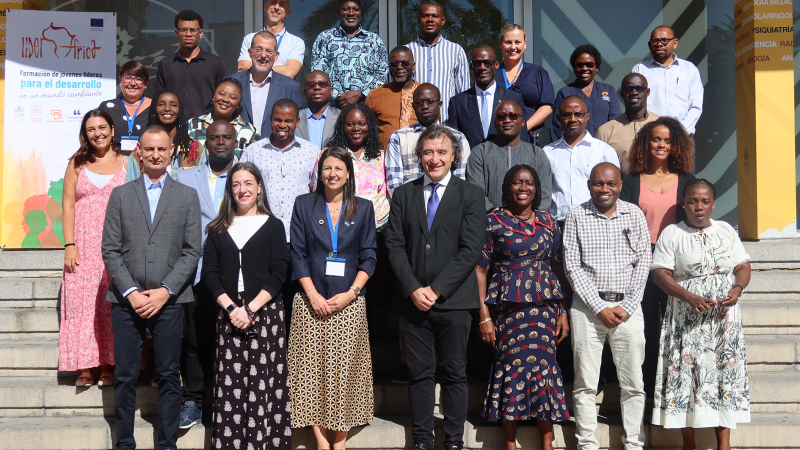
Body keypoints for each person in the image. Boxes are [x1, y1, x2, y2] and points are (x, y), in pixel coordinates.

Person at [101, 125, 201, 450]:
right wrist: (130, 291)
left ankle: (167, 444)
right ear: (139, 153)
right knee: (126, 375)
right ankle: (125, 443)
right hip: (125, 299)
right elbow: (110, 249)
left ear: (172, 151)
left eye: (162, 149)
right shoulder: (121, 195)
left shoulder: (187, 196)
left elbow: (192, 250)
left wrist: (165, 291)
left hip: (169, 300)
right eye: (149, 149)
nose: (156, 155)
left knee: (170, 374)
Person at [386, 125, 485, 450]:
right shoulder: (403, 195)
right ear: (419, 157)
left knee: (455, 373)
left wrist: (437, 289)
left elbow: (470, 250)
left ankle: (454, 441)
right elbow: (396, 247)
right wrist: (415, 289)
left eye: (442, 152)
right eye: (428, 152)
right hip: (414, 304)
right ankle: (423, 440)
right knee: (420, 375)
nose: (434, 158)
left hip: (455, 303)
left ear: (454, 156)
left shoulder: (469, 194)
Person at [650, 179, 751, 449]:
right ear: (683, 204)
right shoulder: (672, 233)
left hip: (723, 320)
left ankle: (724, 443)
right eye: (693, 201)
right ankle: (689, 443)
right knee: (687, 374)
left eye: (705, 201)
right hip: (686, 320)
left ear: (713, 204)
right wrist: (689, 297)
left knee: (724, 373)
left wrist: (737, 288)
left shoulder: (726, 230)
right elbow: (660, 274)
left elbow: (742, 265)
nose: (699, 206)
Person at [288, 146, 377, 450]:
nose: (332, 174)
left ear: (349, 173)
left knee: (345, 372)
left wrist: (351, 294)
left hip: (349, 303)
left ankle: (339, 440)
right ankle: (320, 440)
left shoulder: (363, 208)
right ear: (319, 172)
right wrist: (312, 294)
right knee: (309, 370)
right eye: (327, 168)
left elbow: (369, 257)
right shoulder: (304, 205)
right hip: (310, 303)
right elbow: (297, 254)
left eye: (339, 168)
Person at [476, 165, 570, 450]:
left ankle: (547, 443)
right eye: (517, 182)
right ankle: (510, 443)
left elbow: (557, 267)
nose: (523, 188)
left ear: (536, 188)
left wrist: (563, 310)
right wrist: (483, 316)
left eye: (529, 183)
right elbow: (480, 270)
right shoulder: (492, 221)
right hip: (508, 311)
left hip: (544, 311)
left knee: (545, 368)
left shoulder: (549, 222)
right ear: (508, 187)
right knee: (512, 368)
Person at [562, 162, 651, 450]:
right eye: (598, 183)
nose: (604, 189)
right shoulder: (577, 215)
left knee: (633, 382)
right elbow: (572, 266)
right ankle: (587, 443)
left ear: (620, 186)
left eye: (610, 183)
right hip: (587, 309)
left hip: (628, 308)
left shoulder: (634, 214)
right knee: (585, 382)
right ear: (589, 185)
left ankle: (633, 443)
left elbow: (643, 264)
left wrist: (626, 306)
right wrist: (599, 306)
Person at [202, 162, 291, 450]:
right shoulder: (216, 229)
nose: (243, 189)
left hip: (265, 315)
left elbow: (279, 272)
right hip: (229, 315)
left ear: (259, 187)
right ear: (230, 190)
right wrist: (232, 310)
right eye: (237, 184)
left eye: (249, 183)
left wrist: (251, 309)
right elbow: (210, 275)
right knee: (231, 387)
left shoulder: (274, 226)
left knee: (265, 384)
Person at [618, 116, 695, 401]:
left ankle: (676, 389)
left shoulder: (687, 181)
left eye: (667, 140)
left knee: (676, 328)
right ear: (645, 144)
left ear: (676, 145)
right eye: (656, 139)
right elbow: (621, 225)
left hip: (677, 263)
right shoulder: (631, 181)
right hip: (642, 263)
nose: (661, 144)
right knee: (647, 328)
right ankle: (649, 393)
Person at [174, 120, 239, 429]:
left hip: (237, 271)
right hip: (198, 271)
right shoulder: (185, 178)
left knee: (233, 340)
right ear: (207, 142)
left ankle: (229, 401)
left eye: (227, 137)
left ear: (235, 141)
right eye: (215, 137)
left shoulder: (248, 176)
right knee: (198, 338)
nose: (221, 142)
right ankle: (194, 401)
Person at [59, 110, 127, 387]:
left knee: (110, 303)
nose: (97, 133)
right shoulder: (77, 162)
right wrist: (69, 244)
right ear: (85, 134)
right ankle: (85, 365)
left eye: (102, 127)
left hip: (116, 244)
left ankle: (109, 364)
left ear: (112, 129)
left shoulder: (128, 162)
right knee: (82, 304)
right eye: (90, 129)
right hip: (83, 245)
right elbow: (67, 205)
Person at [240, 99, 318, 242]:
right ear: (270, 118)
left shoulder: (311, 152)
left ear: (297, 121)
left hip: (299, 235)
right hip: (260, 234)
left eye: (288, 121)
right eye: (277, 120)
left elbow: (317, 192)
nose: (282, 125)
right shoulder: (253, 152)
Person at [543, 96, 620, 226]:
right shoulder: (548, 152)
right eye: (567, 115)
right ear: (558, 118)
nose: (573, 119)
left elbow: (615, 190)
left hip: (595, 223)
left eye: (578, 114)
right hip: (558, 224)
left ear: (587, 117)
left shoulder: (604, 151)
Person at [467, 99, 552, 212]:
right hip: (490, 224)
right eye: (501, 117)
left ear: (522, 121)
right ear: (495, 122)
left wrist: (527, 218)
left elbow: (544, 197)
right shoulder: (480, 152)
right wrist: (499, 218)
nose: (507, 120)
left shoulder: (537, 154)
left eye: (513, 116)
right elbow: (476, 195)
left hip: (530, 226)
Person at [386, 83, 470, 194]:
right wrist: (410, 205)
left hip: (449, 206)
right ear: (413, 106)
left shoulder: (458, 138)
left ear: (440, 104)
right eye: (419, 102)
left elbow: (461, 179)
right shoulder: (398, 138)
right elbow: (394, 183)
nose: (425, 106)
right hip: (409, 206)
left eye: (430, 102)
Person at [322, 103, 391, 230]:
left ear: (369, 126)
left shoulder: (382, 158)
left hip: (374, 229)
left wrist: (373, 223)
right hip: (337, 229)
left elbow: (385, 195)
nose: (356, 128)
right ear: (342, 126)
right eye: (350, 124)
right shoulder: (328, 156)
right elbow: (318, 191)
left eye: (361, 123)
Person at [447, 44, 530, 150]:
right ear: (471, 67)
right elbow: (453, 143)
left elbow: (521, 138)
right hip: (470, 163)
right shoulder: (457, 102)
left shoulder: (513, 98)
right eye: (477, 63)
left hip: (505, 162)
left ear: (496, 65)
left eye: (487, 63)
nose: (482, 67)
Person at [311, 0, 388, 108]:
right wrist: (338, 96)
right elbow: (317, 72)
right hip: (333, 107)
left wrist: (360, 93)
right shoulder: (324, 38)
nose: (351, 13)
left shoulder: (374, 40)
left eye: (356, 9)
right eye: (346, 9)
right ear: (338, 12)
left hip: (366, 107)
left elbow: (382, 74)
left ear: (361, 13)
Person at [229, 30, 304, 139]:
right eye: (258, 50)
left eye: (269, 51)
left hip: (277, 152)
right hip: (239, 152)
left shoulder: (290, 87)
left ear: (276, 55)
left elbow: (297, 128)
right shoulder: (231, 83)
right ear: (249, 52)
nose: (263, 55)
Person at [154, 9, 226, 119]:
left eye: (193, 30)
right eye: (183, 30)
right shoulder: (165, 64)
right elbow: (159, 100)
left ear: (201, 32)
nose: (188, 34)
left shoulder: (215, 63)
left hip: (205, 129)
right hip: (173, 127)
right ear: (176, 33)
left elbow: (222, 98)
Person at [632, 26, 703, 137]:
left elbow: (696, 106)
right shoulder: (639, 70)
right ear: (649, 45)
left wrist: (680, 132)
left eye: (664, 40)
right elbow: (636, 106)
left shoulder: (689, 69)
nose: (659, 44)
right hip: (650, 137)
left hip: (683, 136)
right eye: (655, 41)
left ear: (675, 43)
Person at [406, 0, 469, 122]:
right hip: (413, 124)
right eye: (425, 16)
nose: (430, 19)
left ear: (443, 20)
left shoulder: (456, 51)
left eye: (435, 16)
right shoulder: (407, 51)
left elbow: (463, 94)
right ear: (419, 19)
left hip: (446, 124)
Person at [496, 24, 556, 147]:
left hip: (531, 139)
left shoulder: (537, 72)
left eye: (518, 42)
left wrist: (523, 128)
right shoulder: (492, 75)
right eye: (508, 42)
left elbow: (547, 106)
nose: (513, 47)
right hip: (498, 140)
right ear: (500, 44)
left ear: (525, 44)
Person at [126, 89, 205, 182]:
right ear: (154, 109)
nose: (167, 108)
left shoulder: (195, 149)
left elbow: (201, 186)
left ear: (180, 110)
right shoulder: (140, 152)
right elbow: (130, 190)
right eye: (161, 104)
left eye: (173, 105)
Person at [596, 73, 660, 177]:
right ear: (622, 94)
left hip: (658, 191)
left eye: (639, 88)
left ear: (647, 92)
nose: (634, 92)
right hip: (623, 191)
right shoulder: (606, 131)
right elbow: (599, 171)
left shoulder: (662, 125)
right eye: (628, 89)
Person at [552, 45, 621, 139]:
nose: (584, 68)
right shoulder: (564, 93)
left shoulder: (608, 90)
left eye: (589, 64)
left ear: (596, 66)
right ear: (574, 67)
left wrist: (605, 147)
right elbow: (559, 126)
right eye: (580, 65)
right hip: (574, 148)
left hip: (604, 147)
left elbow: (615, 122)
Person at [186, 77, 260, 161]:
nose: (225, 99)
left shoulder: (249, 131)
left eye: (232, 97)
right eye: (221, 94)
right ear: (214, 96)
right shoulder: (192, 125)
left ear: (239, 103)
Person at [365, 46, 420, 151]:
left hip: (417, 160)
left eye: (405, 63)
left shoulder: (425, 94)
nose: (399, 67)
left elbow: (435, 128)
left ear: (413, 66)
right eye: (394, 64)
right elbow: (367, 131)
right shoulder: (374, 95)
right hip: (384, 161)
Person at [237, 0, 304, 78]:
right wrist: (281, 69)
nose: (276, 7)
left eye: (282, 4)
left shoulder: (296, 42)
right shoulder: (249, 38)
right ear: (265, 7)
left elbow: (290, 72)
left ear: (288, 12)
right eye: (273, 2)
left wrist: (255, 68)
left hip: (281, 89)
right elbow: (243, 69)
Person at [98, 61, 151, 155]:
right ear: (120, 80)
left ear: (145, 83)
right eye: (127, 78)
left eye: (139, 79)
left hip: (146, 165)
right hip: (113, 164)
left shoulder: (155, 108)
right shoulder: (107, 108)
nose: (133, 83)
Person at [297, 71, 341, 151]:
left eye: (322, 84)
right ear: (305, 92)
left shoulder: (342, 117)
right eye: (311, 85)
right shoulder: (294, 118)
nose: (317, 87)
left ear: (331, 91)